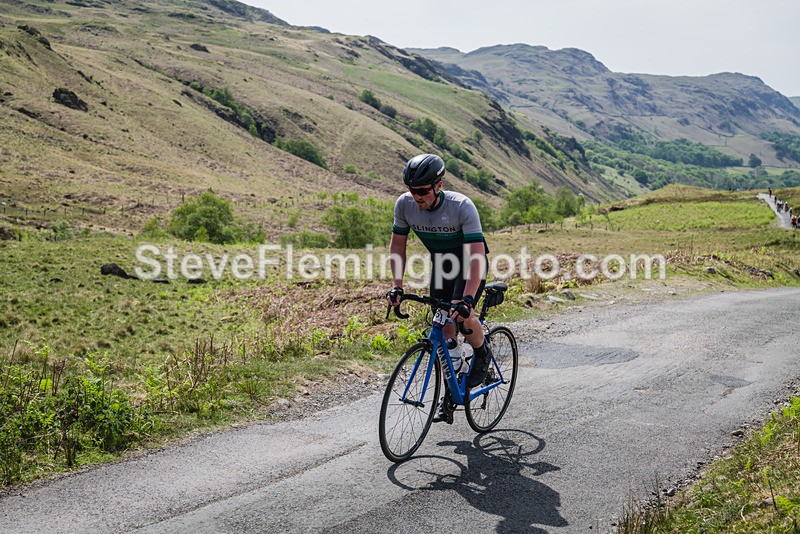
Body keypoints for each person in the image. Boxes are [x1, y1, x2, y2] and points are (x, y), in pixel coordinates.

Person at [386, 153, 491, 424]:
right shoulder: (404, 205)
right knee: (444, 329)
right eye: (412, 190)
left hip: (469, 263)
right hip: (443, 265)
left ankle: (482, 353)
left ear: (438, 186)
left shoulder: (462, 207)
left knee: (462, 316)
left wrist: (467, 299)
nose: (416, 196)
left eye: (422, 191)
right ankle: (453, 386)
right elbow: (398, 246)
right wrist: (397, 286)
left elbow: (476, 257)